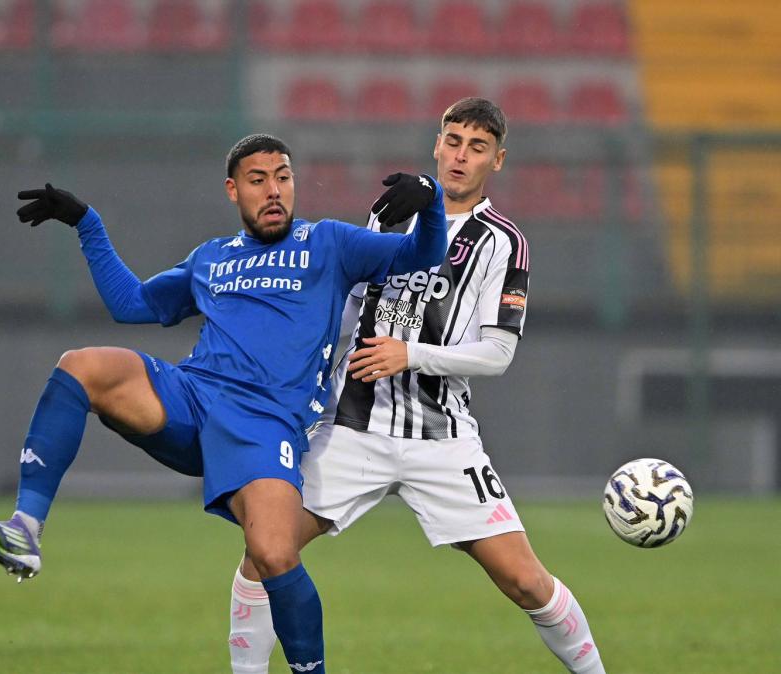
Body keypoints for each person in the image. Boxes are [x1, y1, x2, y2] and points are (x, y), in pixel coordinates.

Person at [0, 133, 448, 673]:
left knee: (274, 555)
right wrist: (86, 223)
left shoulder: (329, 242)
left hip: (265, 423)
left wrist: (430, 199)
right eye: (258, 180)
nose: (274, 190)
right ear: (233, 191)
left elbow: (422, 255)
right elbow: (131, 304)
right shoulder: (211, 258)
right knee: (81, 366)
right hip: (191, 397)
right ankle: (25, 530)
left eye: (283, 177)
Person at [224, 99, 606, 674]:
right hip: (353, 426)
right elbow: (352, 307)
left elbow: (498, 353)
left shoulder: (504, 243)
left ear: (498, 160)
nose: (461, 156)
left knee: (527, 582)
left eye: (477, 147)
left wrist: (411, 354)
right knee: (263, 552)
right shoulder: (391, 214)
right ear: (436, 144)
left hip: (441, 437)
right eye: (453, 141)